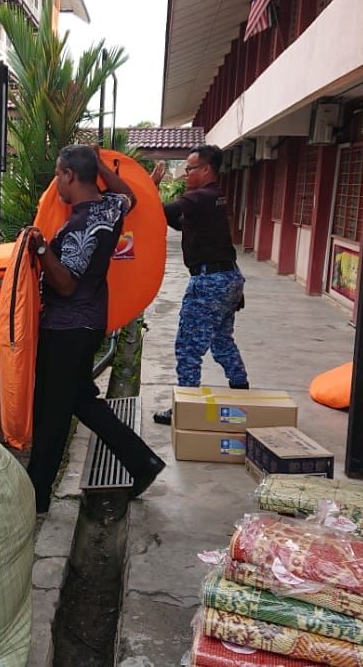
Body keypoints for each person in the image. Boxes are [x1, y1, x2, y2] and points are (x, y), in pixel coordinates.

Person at [26, 145, 165, 514]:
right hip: (90, 323)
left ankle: (35, 495)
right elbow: (129, 195)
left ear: (70, 174)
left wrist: (42, 249)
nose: (56, 182)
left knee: (52, 411)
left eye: (58, 173)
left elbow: (66, 283)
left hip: (67, 328)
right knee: (81, 400)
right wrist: (101, 164)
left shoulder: (81, 224)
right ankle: (142, 462)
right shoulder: (109, 208)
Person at [153, 144, 248, 426]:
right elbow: (179, 223)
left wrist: (151, 187)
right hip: (228, 278)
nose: (185, 174)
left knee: (188, 346)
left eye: (190, 168)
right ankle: (242, 392)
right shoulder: (213, 197)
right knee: (221, 341)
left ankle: (186, 406)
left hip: (209, 281)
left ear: (206, 169)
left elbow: (161, 211)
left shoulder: (200, 197)